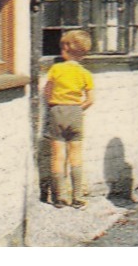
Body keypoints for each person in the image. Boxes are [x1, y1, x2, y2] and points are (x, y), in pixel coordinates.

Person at [42, 29, 95, 207]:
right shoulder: (85, 73)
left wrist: (54, 105)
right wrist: (78, 109)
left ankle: (60, 197)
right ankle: (78, 196)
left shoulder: (56, 68)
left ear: (65, 47)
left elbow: (47, 92)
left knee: (58, 156)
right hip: (75, 113)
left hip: (57, 111)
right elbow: (91, 99)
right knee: (76, 155)